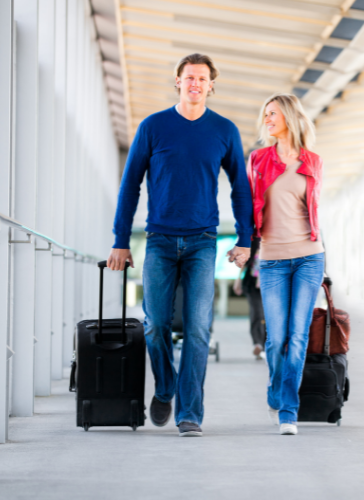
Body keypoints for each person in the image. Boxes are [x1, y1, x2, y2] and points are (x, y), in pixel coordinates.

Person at [107, 53, 252, 437]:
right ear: (177, 81)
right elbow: (130, 185)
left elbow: (241, 188)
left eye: (202, 79)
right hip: (158, 241)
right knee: (154, 325)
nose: (195, 84)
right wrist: (121, 240)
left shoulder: (224, 130)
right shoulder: (154, 126)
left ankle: (190, 413)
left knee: (199, 328)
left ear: (211, 85)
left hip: (203, 242)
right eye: (189, 77)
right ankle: (166, 386)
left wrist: (246, 238)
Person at [247, 93, 325, 436]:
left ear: (290, 117)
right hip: (273, 259)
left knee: (298, 336)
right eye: (265, 114)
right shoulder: (259, 159)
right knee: (276, 339)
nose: (267, 119)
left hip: (309, 256)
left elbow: (314, 210)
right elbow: (249, 205)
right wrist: (243, 246)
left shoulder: (313, 161)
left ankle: (288, 411)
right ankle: (275, 390)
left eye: (273, 113)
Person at [233, 238, 266, 360]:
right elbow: (245, 260)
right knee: (257, 313)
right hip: (252, 283)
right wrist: (238, 279)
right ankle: (258, 343)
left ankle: (266, 345)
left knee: (268, 315)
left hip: (270, 283)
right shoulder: (254, 238)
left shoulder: (277, 235)